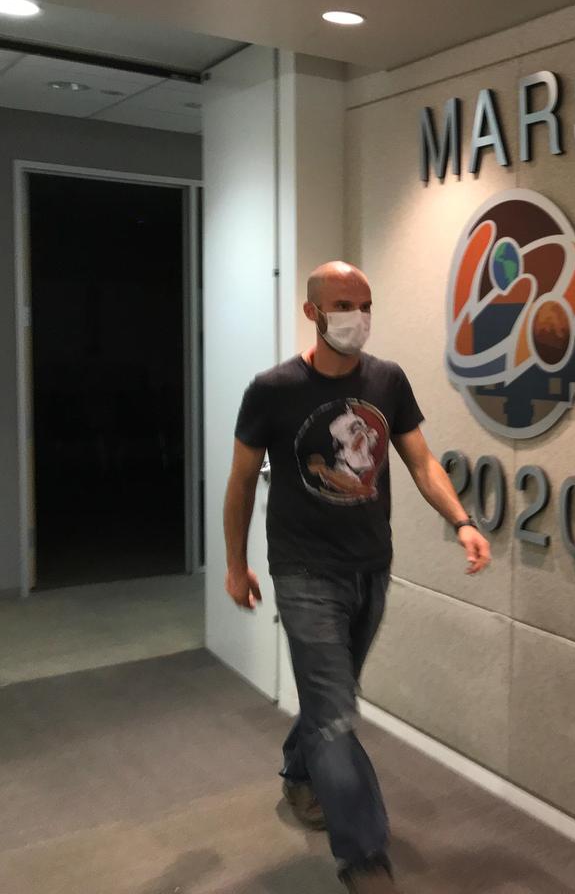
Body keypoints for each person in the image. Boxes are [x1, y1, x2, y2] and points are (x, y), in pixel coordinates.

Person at [223, 261, 491, 893]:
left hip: (371, 565)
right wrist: (236, 564)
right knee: (337, 714)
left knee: (330, 702)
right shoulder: (272, 389)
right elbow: (241, 481)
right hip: (303, 570)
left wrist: (461, 521)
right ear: (313, 312)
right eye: (343, 305)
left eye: (365, 304)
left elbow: (421, 462)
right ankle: (365, 857)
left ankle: (300, 771)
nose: (358, 317)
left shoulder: (387, 380)